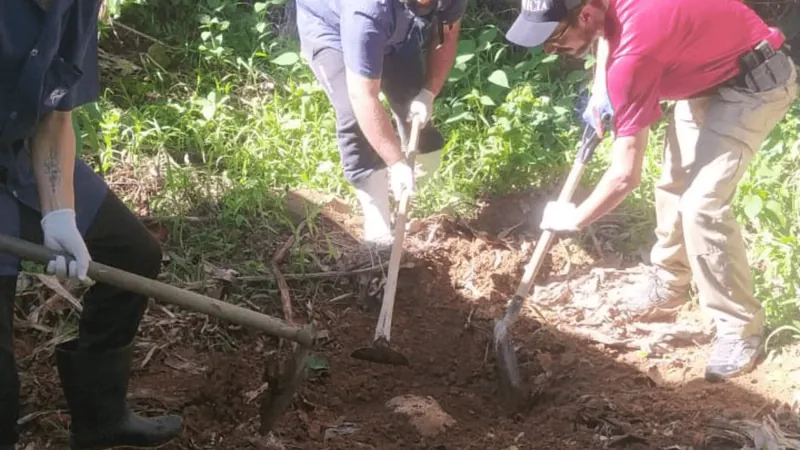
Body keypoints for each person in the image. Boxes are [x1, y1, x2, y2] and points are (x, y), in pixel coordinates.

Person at [506, 0, 798, 381]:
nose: (550, 49)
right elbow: (609, 37)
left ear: (585, 15)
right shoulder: (606, 11)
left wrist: (573, 220)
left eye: (555, 37)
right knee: (672, 183)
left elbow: (624, 177)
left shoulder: (632, 60)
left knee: (701, 206)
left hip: (752, 82)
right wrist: (600, 88)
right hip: (704, 73)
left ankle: (739, 328)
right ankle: (671, 280)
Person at [0, 1, 183, 448]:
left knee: (133, 255)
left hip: (20, 153)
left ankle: (101, 418)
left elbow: (56, 115)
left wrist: (59, 211)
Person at [295, 0, 466, 249]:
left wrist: (429, 92)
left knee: (413, 103)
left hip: (396, 32)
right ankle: (377, 221)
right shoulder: (367, 10)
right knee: (354, 116)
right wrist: (396, 163)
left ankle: (416, 197)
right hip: (330, 29)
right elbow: (363, 97)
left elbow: (446, 35)